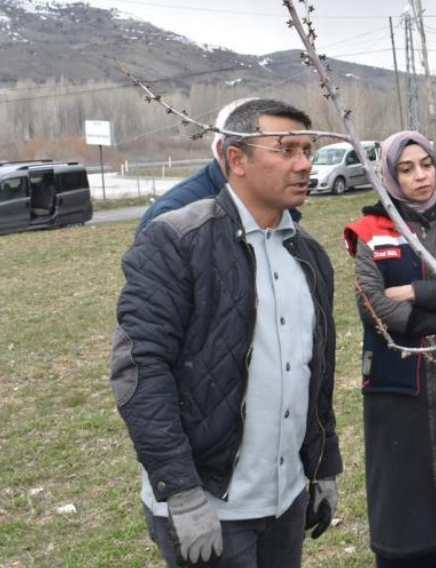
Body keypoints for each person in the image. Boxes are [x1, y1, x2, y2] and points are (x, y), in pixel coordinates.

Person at [110, 98, 342, 568]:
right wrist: (181, 491)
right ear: (237, 159)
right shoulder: (177, 240)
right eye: (286, 149)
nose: (303, 164)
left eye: (307, 150)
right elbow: (140, 369)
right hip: (210, 504)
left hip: (285, 499)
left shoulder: (310, 256)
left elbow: (315, 372)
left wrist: (323, 467)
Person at [344, 131, 436, 567]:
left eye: (425, 165)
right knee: (402, 497)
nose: (420, 177)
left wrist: (411, 290)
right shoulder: (372, 229)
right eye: (406, 169)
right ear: (390, 176)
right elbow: (371, 302)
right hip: (398, 385)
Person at [134, 97, 260, 237]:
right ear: (225, 152)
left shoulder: (279, 201)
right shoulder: (173, 217)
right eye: (282, 150)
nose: (289, 164)